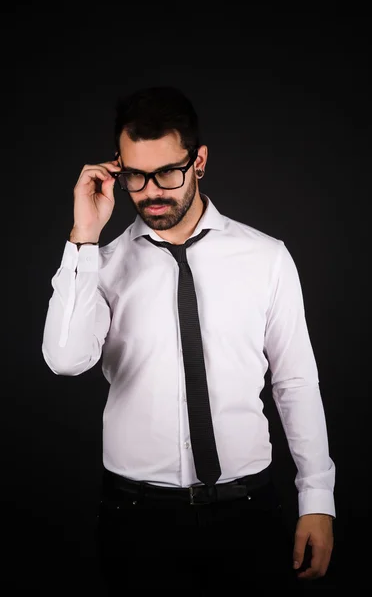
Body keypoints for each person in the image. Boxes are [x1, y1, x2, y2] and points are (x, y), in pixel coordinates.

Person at [41, 86, 335, 594]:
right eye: (135, 175)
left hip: (249, 512)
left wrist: (317, 499)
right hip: (136, 521)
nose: (152, 191)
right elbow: (65, 360)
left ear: (198, 161)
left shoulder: (266, 258)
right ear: (118, 169)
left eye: (168, 173)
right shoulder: (100, 266)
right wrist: (83, 234)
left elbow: (295, 382)